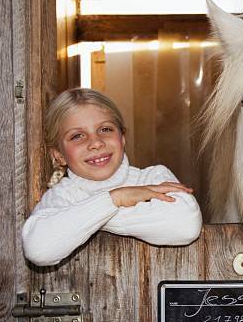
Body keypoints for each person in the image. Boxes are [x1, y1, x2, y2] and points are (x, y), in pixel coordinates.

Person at [22, 88, 202, 266]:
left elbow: (186, 226)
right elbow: (39, 249)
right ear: (58, 155)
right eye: (77, 136)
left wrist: (86, 220)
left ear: (122, 138)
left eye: (105, 129)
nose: (96, 143)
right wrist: (115, 198)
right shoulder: (61, 196)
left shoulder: (154, 178)